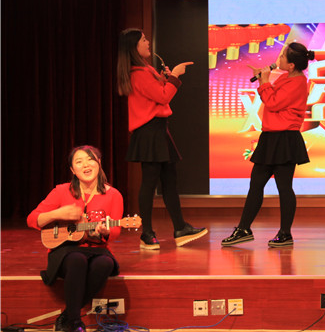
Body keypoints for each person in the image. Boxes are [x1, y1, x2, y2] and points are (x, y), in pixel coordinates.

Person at [116, 28, 207, 249]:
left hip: (158, 129)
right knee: (150, 182)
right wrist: (174, 76)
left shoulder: (145, 70)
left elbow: (157, 93)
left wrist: (165, 78)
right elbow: (163, 96)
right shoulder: (139, 73)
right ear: (134, 47)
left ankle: (180, 228)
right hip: (149, 131)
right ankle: (146, 233)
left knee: (169, 180)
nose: (148, 42)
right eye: (143, 40)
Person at [221, 42, 315, 248]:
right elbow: (272, 98)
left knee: (284, 187)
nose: (278, 59)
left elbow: (273, 102)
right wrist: (264, 80)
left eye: (283, 57)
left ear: (291, 65)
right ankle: (243, 229)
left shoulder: (299, 82)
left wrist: (264, 81)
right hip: (270, 137)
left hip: (285, 138)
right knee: (256, 184)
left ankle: (285, 233)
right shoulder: (285, 77)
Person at [27, 146, 123, 332]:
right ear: (72, 170)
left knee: (105, 263)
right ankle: (75, 322)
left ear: (99, 163)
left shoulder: (114, 195)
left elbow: (116, 230)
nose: (85, 165)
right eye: (79, 162)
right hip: (65, 251)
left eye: (90, 159)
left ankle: (67, 315)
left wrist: (105, 231)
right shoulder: (62, 191)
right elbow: (32, 219)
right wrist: (58, 213)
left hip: (96, 249)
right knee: (77, 259)